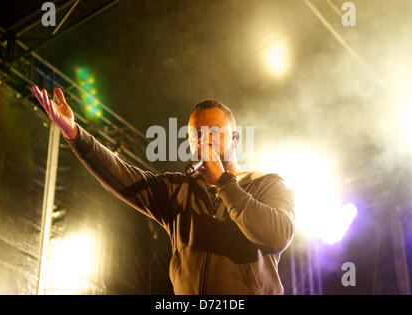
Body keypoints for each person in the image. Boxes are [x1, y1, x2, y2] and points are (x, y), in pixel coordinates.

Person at [30, 85, 295, 295]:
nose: (204, 141)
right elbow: (122, 175)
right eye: (196, 135)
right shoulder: (177, 190)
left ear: (236, 139)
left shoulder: (267, 184)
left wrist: (225, 183)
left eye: (214, 132)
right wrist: (75, 134)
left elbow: (277, 235)